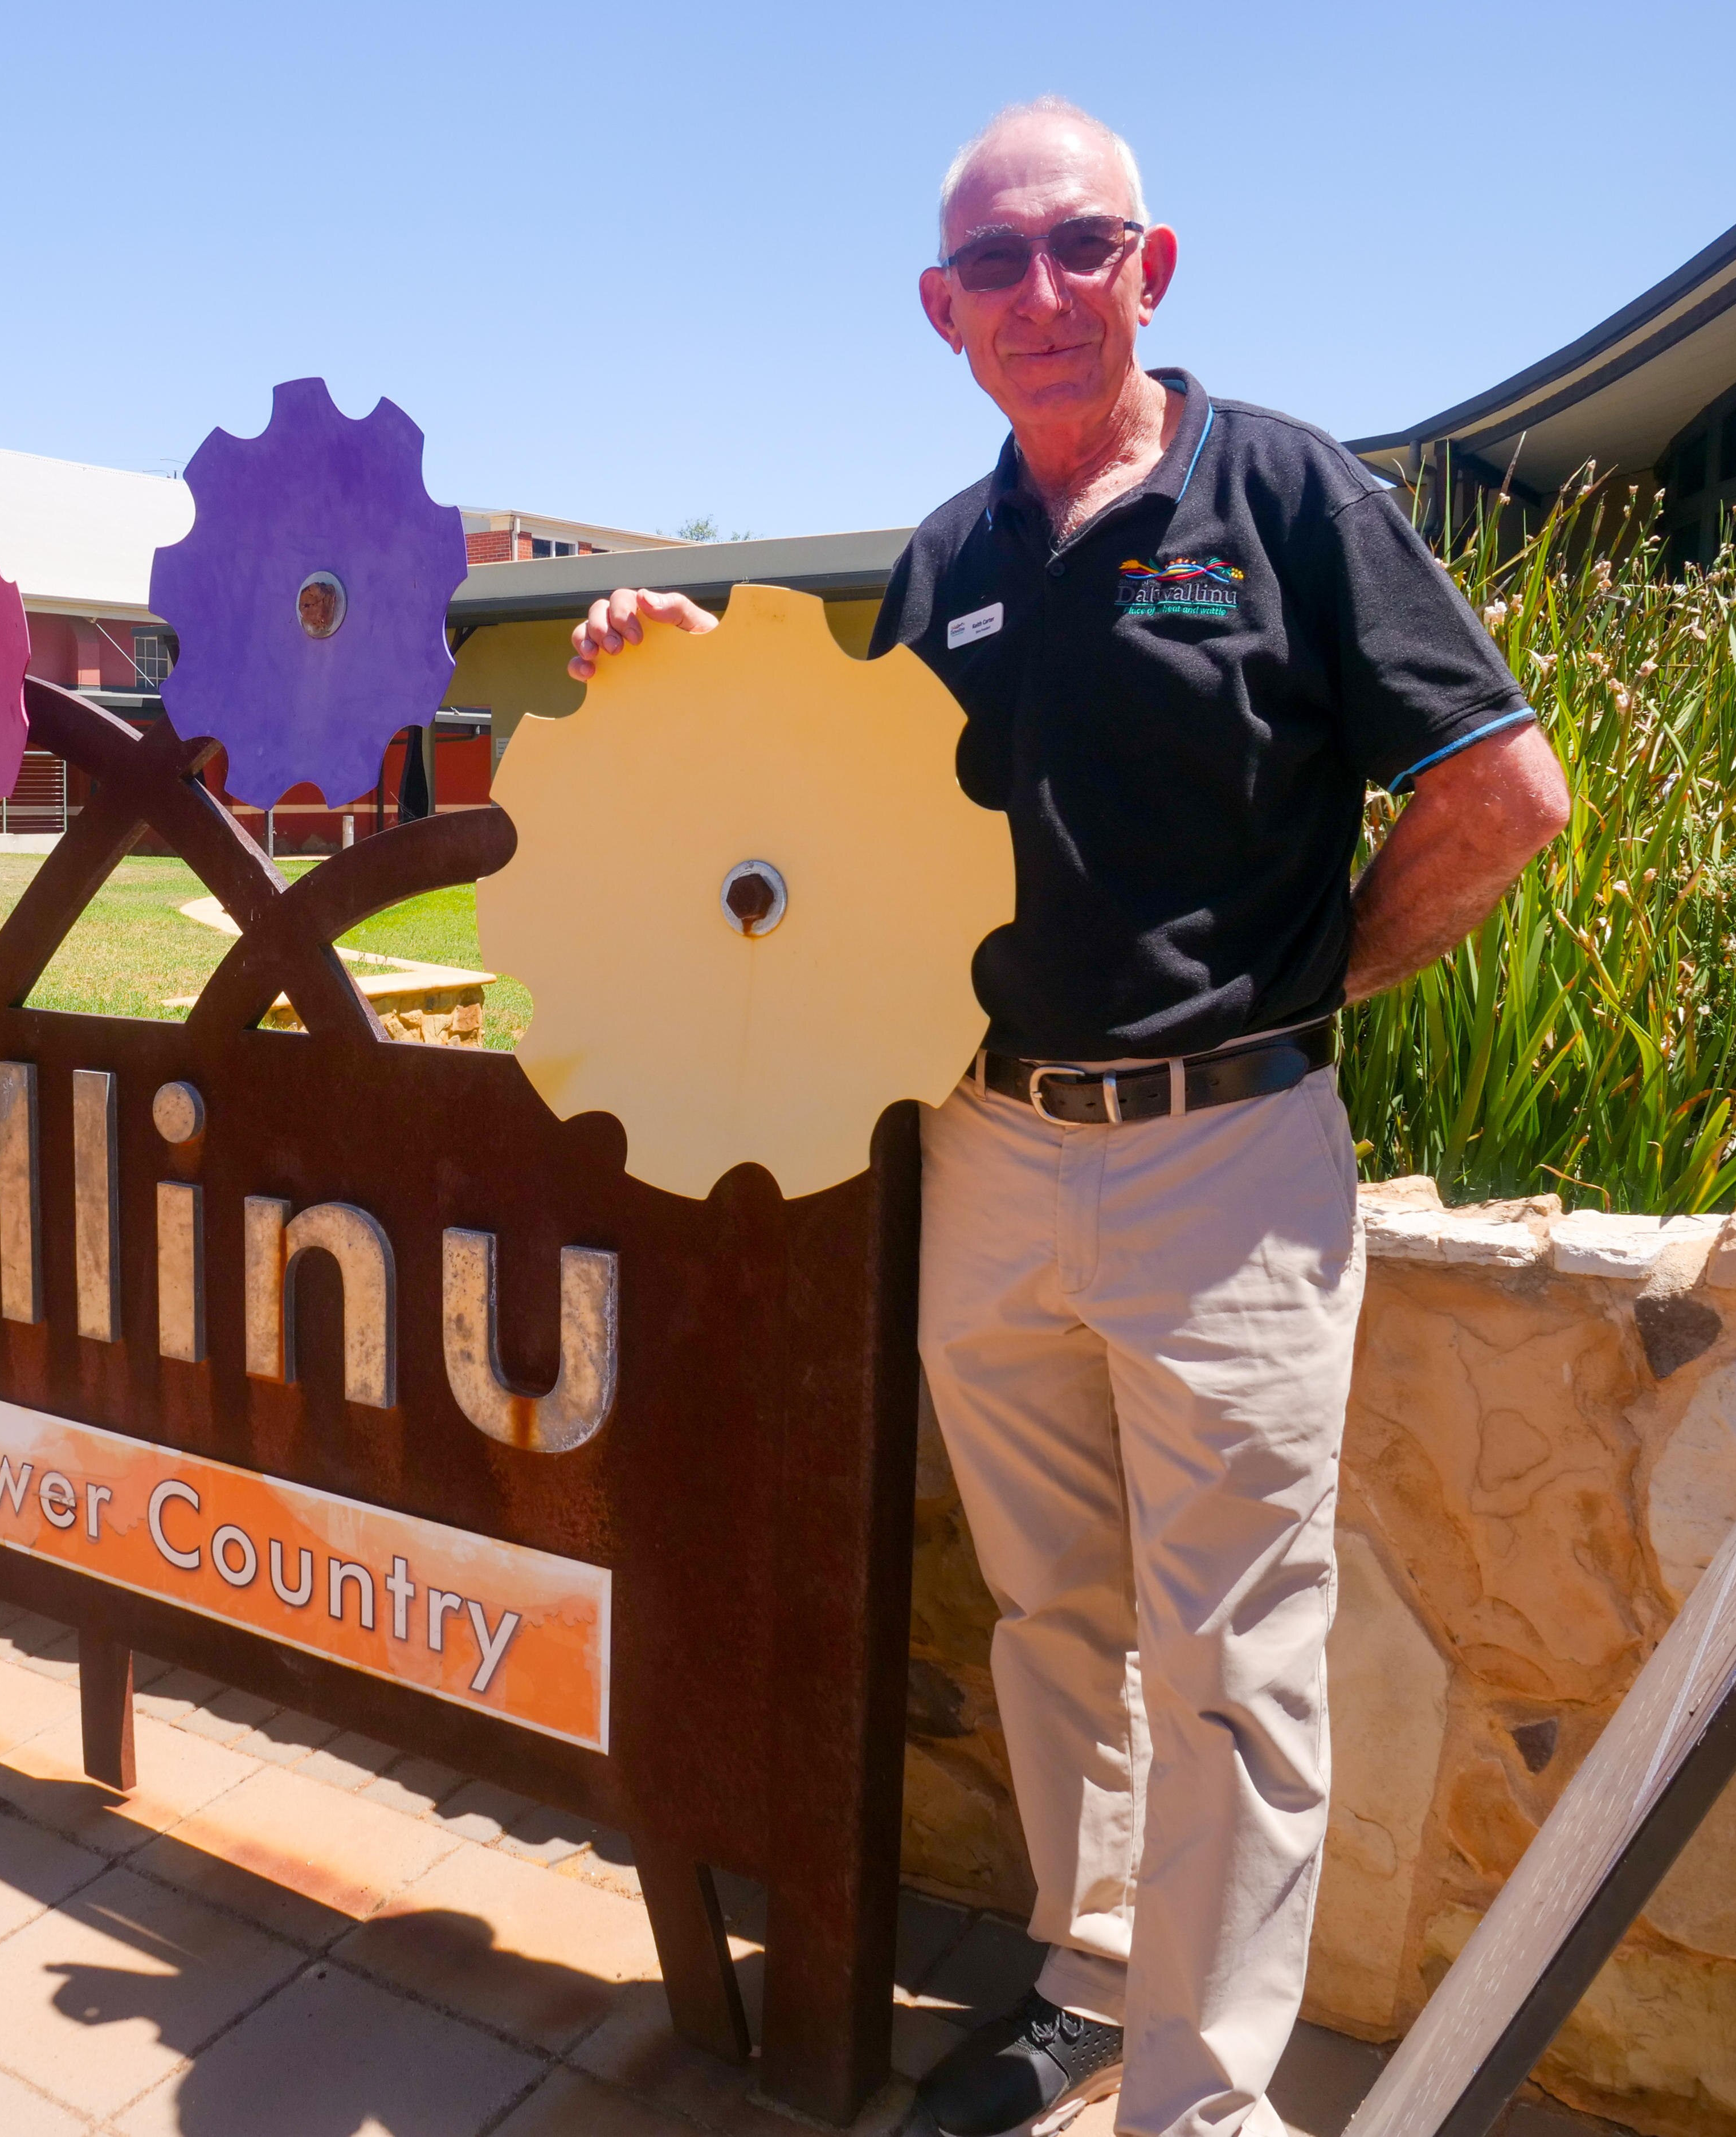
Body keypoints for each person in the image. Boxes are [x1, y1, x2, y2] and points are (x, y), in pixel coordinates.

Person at [568, 97, 1569, 2137]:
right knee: (1055, 1621)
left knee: (1235, 1663)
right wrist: (670, 674)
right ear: (941, 310)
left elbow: (1504, 793)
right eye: (994, 263)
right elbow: (824, 827)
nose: (1040, 292)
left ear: (1152, 267)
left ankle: (1199, 2103)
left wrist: (1305, 991)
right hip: (994, 1154)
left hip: (1229, 1167)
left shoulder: (1283, 495)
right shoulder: (947, 558)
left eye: (1079, 246)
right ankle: (1091, 1978)